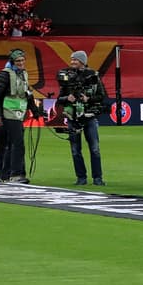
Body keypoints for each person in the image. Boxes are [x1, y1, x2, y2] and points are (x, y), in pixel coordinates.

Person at [0, 48, 41, 183]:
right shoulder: (5, 74)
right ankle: (16, 175)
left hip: (19, 113)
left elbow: (27, 93)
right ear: (12, 62)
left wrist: (35, 111)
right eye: (18, 61)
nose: (21, 63)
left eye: (22, 60)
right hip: (8, 112)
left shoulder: (23, 74)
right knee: (17, 144)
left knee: (12, 144)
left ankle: (5, 175)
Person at [59, 50, 106, 186]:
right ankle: (81, 178)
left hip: (89, 116)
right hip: (73, 118)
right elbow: (59, 98)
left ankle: (98, 178)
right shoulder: (67, 77)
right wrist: (67, 98)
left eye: (75, 60)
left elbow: (102, 96)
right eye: (72, 59)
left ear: (82, 61)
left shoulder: (93, 76)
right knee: (75, 150)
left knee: (95, 149)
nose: (72, 62)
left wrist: (88, 99)